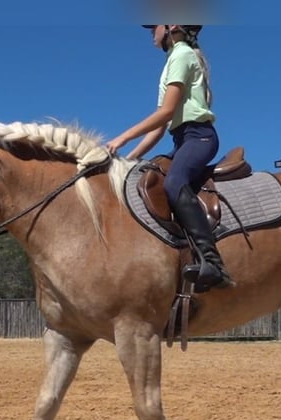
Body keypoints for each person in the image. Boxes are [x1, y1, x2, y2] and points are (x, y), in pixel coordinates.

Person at [106, 24, 234, 292]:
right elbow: (160, 128)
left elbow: (166, 112)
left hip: (199, 138)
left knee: (174, 184)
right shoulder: (171, 60)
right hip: (181, 139)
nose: (151, 32)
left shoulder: (181, 55)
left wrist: (122, 138)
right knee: (148, 176)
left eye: (154, 26)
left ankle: (213, 262)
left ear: (172, 26)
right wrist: (129, 159)